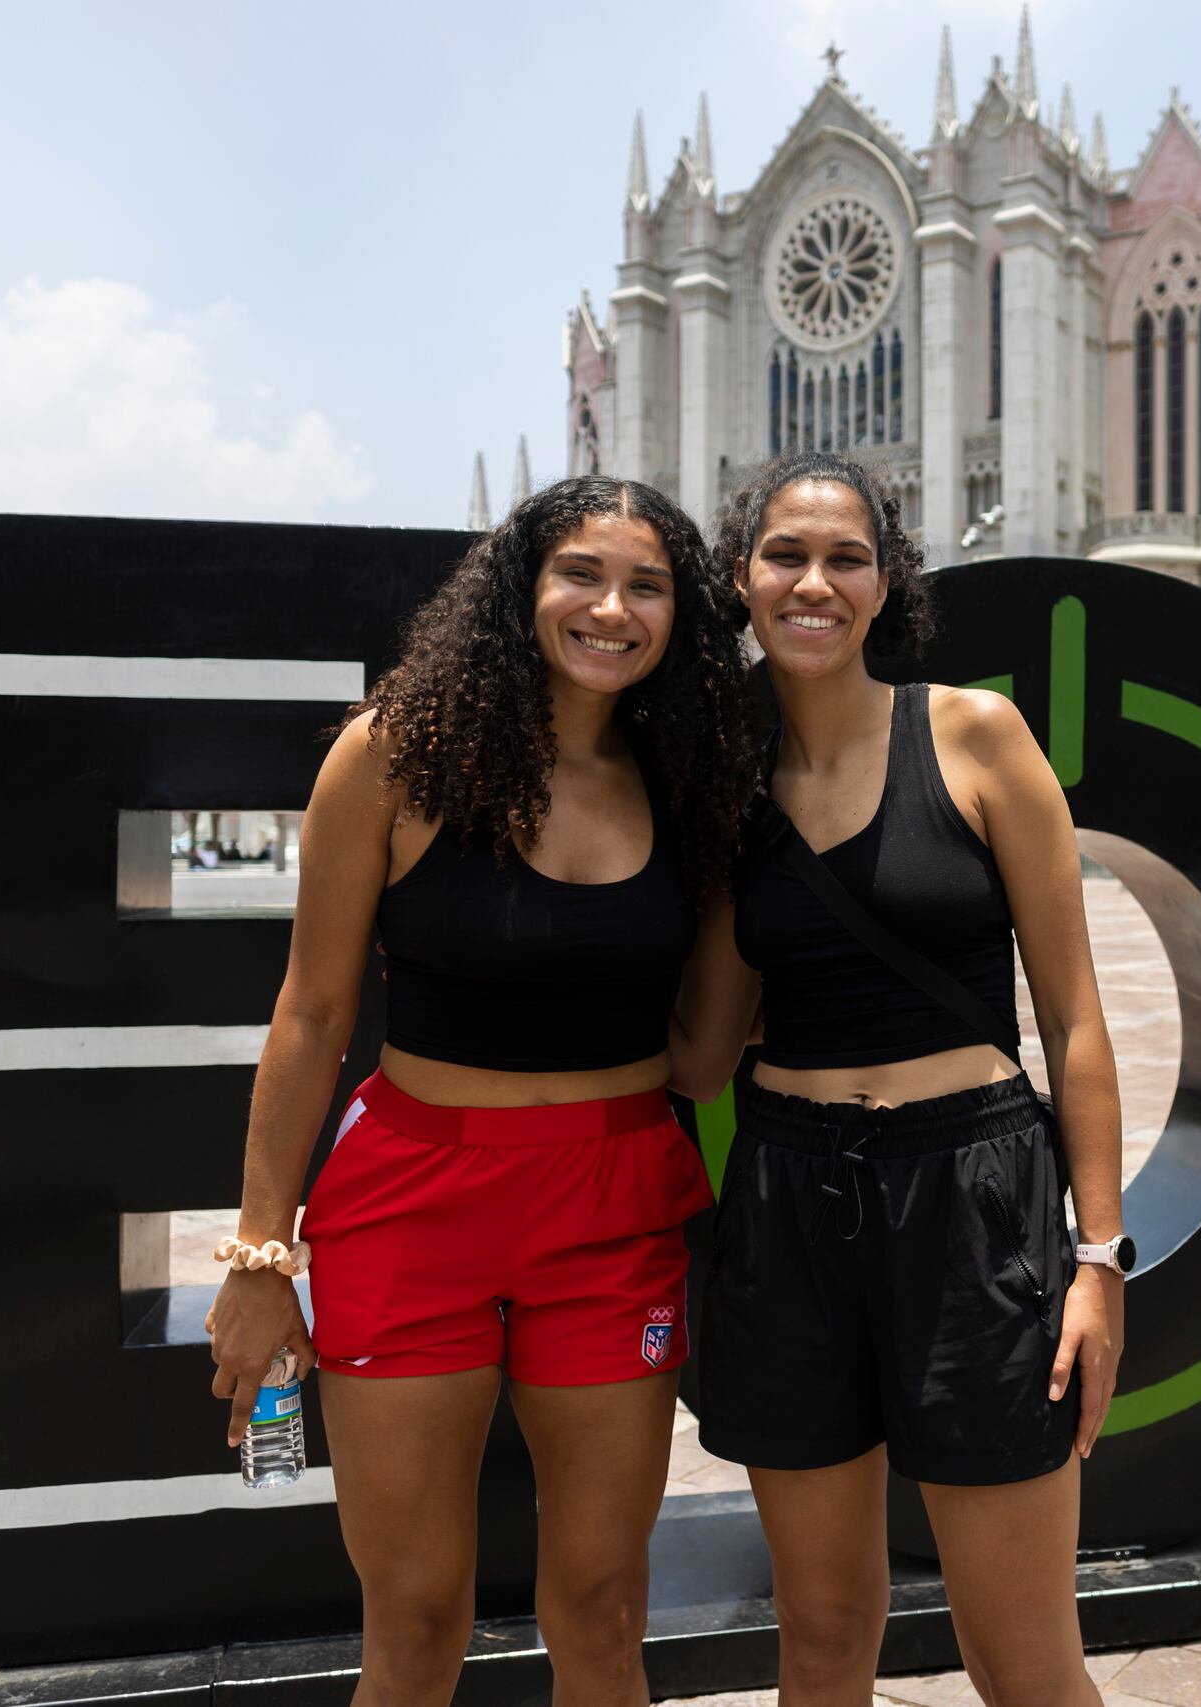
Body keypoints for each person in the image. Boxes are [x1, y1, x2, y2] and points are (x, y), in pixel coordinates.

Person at [207, 475, 756, 1707]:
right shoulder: (395, 754)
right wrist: (256, 1260)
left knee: (606, 1611)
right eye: (581, 573)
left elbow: (703, 1051)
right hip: (411, 1200)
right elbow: (312, 1014)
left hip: (616, 1206)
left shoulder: (693, 779)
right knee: (410, 1619)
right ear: (520, 586)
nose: (611, 607)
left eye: (649, 586)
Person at [671, 450, 1128, 1707]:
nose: (813, 582)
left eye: (846, 558)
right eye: (784, 555)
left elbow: (1075, 1020)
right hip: (786, 1196)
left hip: (973, 1194)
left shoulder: (972, 733)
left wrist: (1099, 1261)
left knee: (1022, 1660)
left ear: (885, 584)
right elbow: (703, 1052)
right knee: (818, 1640)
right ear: (741, 578)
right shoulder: (723, 782)